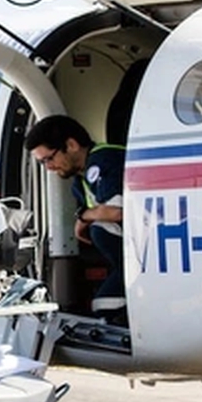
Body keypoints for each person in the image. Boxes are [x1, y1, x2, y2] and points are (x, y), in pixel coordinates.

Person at [24, 115, 127, 325]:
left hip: (144, 254)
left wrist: (84, 217)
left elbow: (118, 212)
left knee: (105, 304)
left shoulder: (104, 159)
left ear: (71, 145)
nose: (48, 168)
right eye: (42, 163)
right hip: (128, 260)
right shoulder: (79, 184)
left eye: (49, 159)